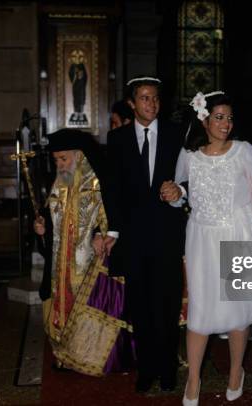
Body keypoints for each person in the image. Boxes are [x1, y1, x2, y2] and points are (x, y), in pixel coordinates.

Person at [162, 91, 252, 405]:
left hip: (239, 234)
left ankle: (236, 370)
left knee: (238, 310)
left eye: (228, 117)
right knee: (200, 311)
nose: (225, 124)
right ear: (204, 118)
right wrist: (174, 196)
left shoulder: (243, 152)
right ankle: (194, 378)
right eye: (219, 117)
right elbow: (181, 194)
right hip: (201, 237)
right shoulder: (189, 155)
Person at [104, 76, 186, 393]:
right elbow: (113, 190)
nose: (150, 104)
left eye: (154, 98)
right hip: (135, 239)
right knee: (140, 306)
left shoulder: (177, 135)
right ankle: (146, 368)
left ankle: (167, 370)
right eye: (144, 98)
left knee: (166, 306)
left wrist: (180, 191)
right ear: (132, 103)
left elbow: (196, 177)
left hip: (167, 236)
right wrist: (113, 230)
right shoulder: (118, 139)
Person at [34, 129, 131, 375]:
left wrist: (101, 232)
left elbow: (111, 214)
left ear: (79, 156)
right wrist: (42, 227)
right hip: (61, 259)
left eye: (64, 159)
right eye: (56, 160)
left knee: (84, 304)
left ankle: (84, 356)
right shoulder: (59, 183)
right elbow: (50, 214)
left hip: (88, 257)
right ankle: (63, 353)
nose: (60, 164)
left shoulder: (98, 181)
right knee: (61, 300)